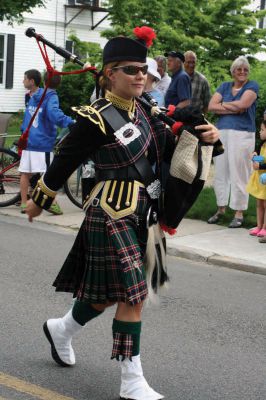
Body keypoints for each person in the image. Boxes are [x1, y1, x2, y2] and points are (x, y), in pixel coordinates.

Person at [25, 26, 219, 400]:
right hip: (111, 211)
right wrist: (39, 196)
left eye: (143, 69)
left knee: (113, 294)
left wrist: (208, 137)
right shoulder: (95, 116)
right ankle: (131, 382)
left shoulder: (149, 113)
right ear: (109, 74)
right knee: (133, 296)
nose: (140, 75)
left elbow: (169, 151)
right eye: (130, 69)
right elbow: (65, 160)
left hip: (147, 213)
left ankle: (61, 328)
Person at [207, 56, 259, 228]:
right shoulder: (224, 86)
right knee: (221, 171)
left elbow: (243, 105)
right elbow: (211, 106)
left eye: (245, 69)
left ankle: (239, 212)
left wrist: (224, 104)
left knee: (239, 172)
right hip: (221, 132)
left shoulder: (252, 86)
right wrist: (233, 106)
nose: (242, 72)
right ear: (233, 71)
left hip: (242, 134)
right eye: (239, 69)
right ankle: (220, 208)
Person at [19, 71, 74, 214]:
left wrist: (23, 130)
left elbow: (27, 116)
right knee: (47, 175)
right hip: (42, 143)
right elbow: (54, 114)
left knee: (25, 173)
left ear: (44, 81)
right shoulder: (51, 97)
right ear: (59, 84)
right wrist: (70, 122)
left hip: (29, 140)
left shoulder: (34, 95)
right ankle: (51, 203)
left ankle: (24, 204)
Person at [246, 120, 266, 238]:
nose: (260, 132)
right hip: (260, 179)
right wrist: (254, 157)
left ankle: (265, 227)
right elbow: (260, 157)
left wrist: (261, 166)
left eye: (262, 130)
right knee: (259, 204)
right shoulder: (262, 144)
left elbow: (263, 162)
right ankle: (259, 226)